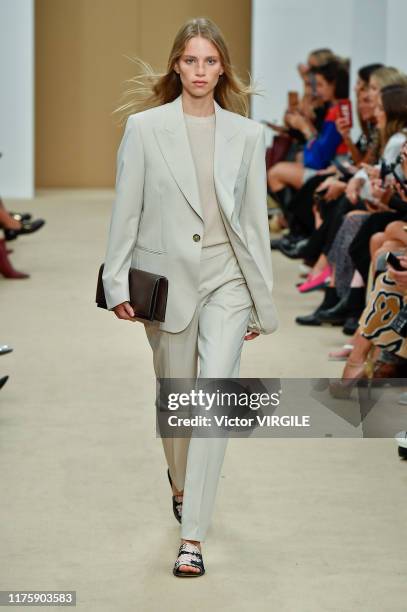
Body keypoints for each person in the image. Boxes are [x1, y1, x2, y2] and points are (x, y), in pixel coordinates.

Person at [101, 17, 278, 578]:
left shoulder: (248, 136)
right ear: (176, 64)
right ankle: (180, 483)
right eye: (190, 60)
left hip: (227, 278)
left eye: (210, 61)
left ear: (222, 66)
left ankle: (192, 535)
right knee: (176, 401)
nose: (200, 70)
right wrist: (115, 283)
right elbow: (125, 209)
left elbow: (255, 224)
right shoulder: (146, 128)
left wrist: (257, 299)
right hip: (169, 282)